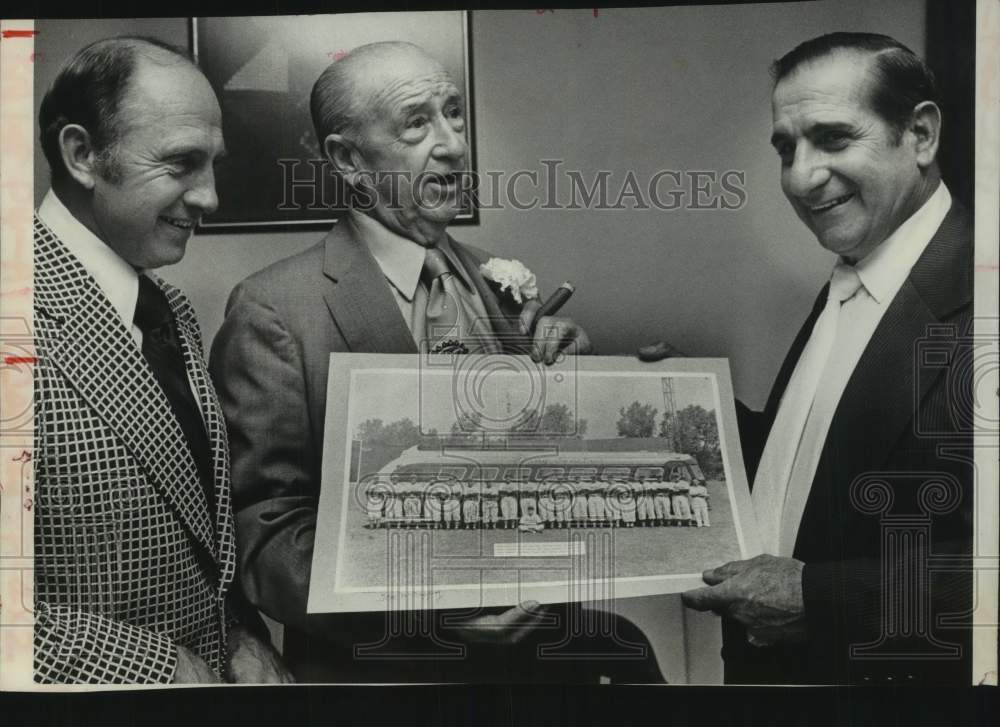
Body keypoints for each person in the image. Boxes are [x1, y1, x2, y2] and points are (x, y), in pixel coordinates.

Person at [211, 42, 660, 683]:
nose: (452, 145)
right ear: (348, 159)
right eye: (416, 124)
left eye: (453, 113)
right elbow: (265, 533)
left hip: (536, 671)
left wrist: (571, 393)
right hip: (386, 680)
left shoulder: (498, 282)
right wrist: (423, 611)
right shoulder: (274, 309)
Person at [644, 33, 973, 684]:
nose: (800, 177)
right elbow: (818, 471)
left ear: (921, 134)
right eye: (786, 149)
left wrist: (818, 598)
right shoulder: (857, 271)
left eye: (833, 139)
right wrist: (691, 406)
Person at [32, 37, 290, 684]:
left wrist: (238, 631)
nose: (210, 198)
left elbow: (198, 534)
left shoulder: (168, 307)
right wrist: (157, 666)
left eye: (212, 166)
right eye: (181, 164)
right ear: (82, 155)